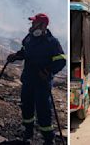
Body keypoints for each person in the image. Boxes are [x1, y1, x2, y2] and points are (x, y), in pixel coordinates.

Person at [7, 13, 66, 145]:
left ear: (43, 25)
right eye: (32, 23)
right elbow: (24, 51)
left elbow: (61, 61)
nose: (32, 26)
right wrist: (16, 56)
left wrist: (48, 70)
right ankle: (28, 133)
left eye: (35, 23)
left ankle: (48, 139)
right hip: (28, 79)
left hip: (42, 83)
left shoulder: (52, 42)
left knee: (43, 110)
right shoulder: (29, 38)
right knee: (26, 107)